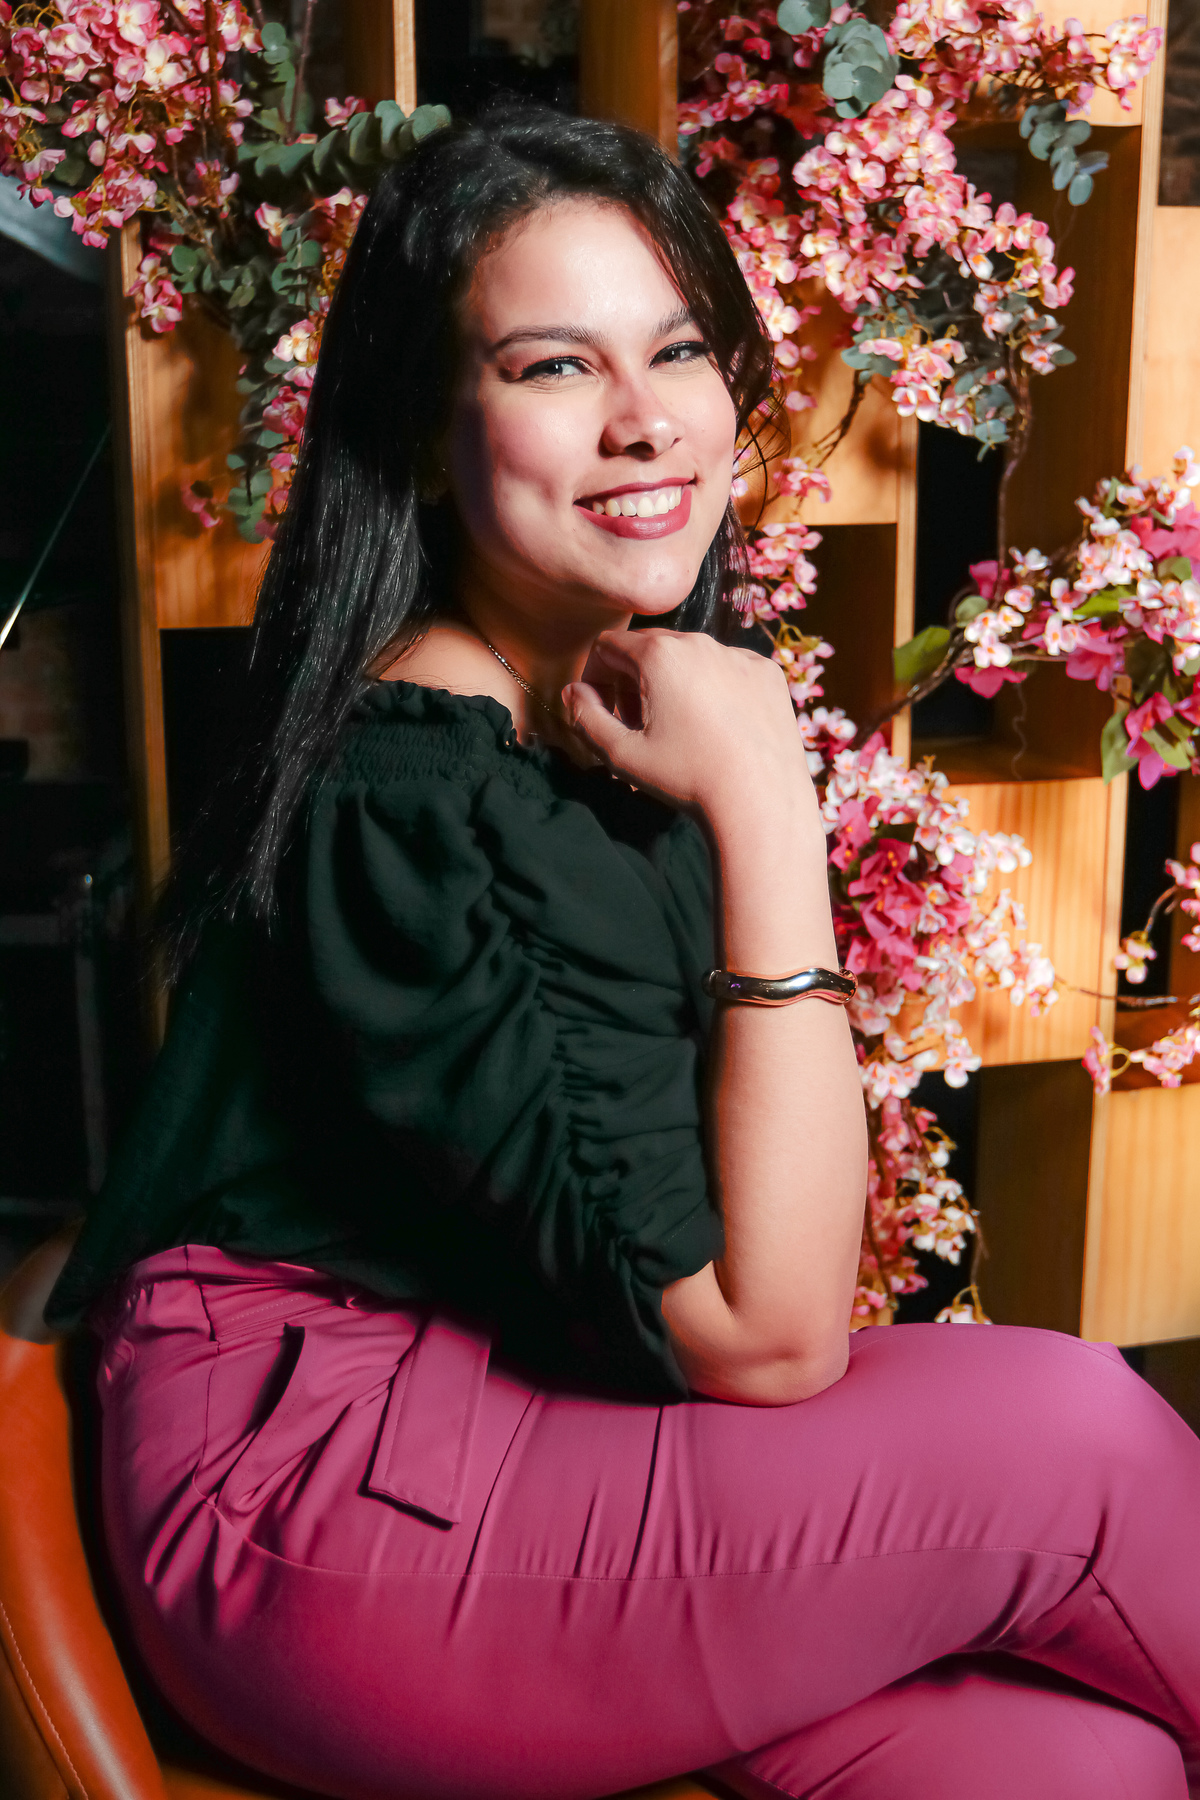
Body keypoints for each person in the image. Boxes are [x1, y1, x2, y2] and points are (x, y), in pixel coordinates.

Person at [43, 107, 1200, 1800]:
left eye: (677, 349)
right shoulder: (425, 790)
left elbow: (717, 1258)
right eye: (553, 366)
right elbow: (767, 1334)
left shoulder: (597, 708)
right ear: (423, 430)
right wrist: (771, 810)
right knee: (1080, 1440)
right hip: (324, 1509)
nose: (646, 419)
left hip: (519, 1403)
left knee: (1069, 1766)